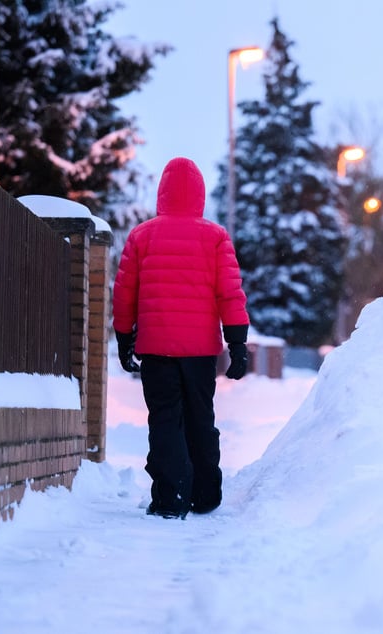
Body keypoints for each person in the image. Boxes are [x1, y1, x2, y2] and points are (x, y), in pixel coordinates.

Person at [112, 156, 250, 520]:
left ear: (163, 193)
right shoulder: (216, 237)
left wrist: (124, 338)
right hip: (201, 352)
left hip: (156, 349)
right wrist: (237, 344)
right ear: (200, 196)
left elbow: (125, 293)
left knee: (165, 420)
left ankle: (170, 496)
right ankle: (204, 493)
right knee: (200, 418)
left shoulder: (142, 236)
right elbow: (230, 294)